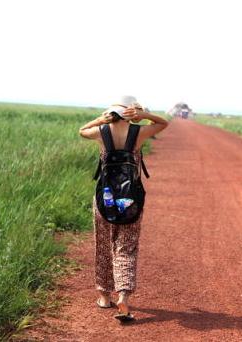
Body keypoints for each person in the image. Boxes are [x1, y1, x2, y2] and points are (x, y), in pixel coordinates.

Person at [79, 96, 168, 321]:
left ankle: (103, 297)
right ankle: (123, 298)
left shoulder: (102, 132)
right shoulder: (138, 133)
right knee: (126, 248)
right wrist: (144, 115)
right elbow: (163, 124)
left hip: (104, 200)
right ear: (132, 111)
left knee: (103, 245)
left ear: (112, 111)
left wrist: (99, 120)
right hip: (131, 200)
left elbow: (81, 131)